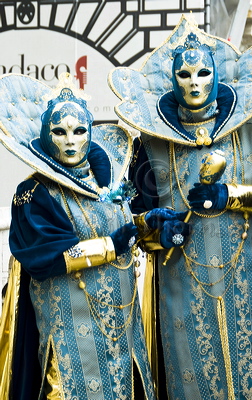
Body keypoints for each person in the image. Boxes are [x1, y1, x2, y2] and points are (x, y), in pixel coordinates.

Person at [108, 15, 252, 400]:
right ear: (172, 81)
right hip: (183, 293)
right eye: (185, 75)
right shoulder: (152, 143)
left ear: (216, 77)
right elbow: (133, 221)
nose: (194, 83)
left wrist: (235, 196)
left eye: (203, 73)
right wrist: (154, 228)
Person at [0, 73, 157, 400]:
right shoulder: (33, 193)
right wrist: (110, 247)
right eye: (59, 132)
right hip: (72, 340)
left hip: (123, 331)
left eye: (79, 130)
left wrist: (150, 226)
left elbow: (126, 229)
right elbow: (45, 257)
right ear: (46, 135)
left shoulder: (109, 185)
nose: (70, 140)